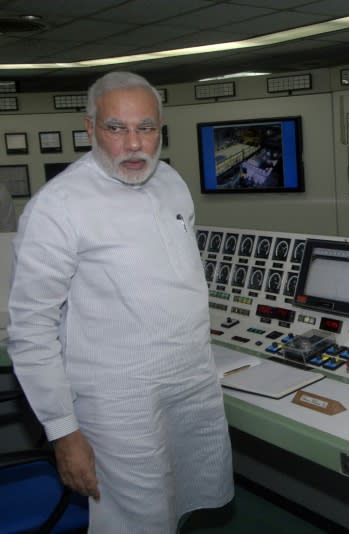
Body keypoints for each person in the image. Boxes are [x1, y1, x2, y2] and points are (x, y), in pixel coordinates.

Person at [7, 71, 233, 532]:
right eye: (117, 128)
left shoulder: (170, 181)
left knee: (185, 501)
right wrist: (63, 432)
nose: (134, 144)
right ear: (91, 129)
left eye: (146, 128)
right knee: (135, 521)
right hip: (117, 400)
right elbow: (30, 329)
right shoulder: (59, 206)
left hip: (190, 381)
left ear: (161, 130)